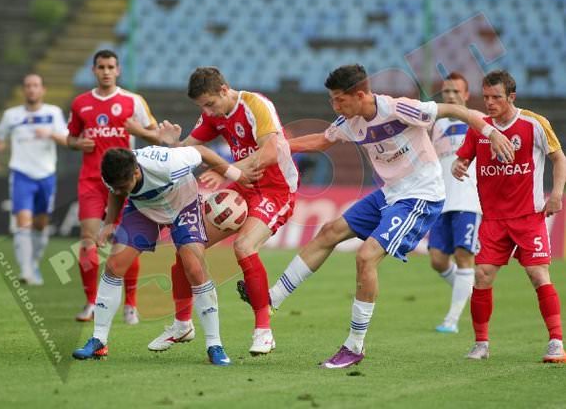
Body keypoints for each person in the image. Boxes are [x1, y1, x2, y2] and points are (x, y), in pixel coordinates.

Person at [239, 64, 514, 368]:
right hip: (391, 192)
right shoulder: (350, 121)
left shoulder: (399, 109)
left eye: (339, 100)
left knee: (366, 256)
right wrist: (279, 146)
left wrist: (491, 132)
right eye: (332, 100)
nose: (335, 106)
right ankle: (271, 299)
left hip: (421, 195)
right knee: (330, 231)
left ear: (360, 95)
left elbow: (454, 109)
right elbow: (321, 141)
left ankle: (354, 346)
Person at [146, 67, 299, 355]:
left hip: (275, 190)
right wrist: (167, 144)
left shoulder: (256, 105)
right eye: (202, 106)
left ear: (224, 90)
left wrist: (228, 172)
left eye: (210, 104)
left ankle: (264, 330)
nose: (207, 111)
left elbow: (271, 151)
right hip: (242, 187)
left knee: (243, 247)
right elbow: (187, 152)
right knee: (187, 246)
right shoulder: (212, 114)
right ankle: (182, 325)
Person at [72, 145, 260, 365]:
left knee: (195, 268)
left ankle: (214, 344)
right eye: (117, 187)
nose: (121, 190)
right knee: (114, 266)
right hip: (144, 210)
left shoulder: (167, 164)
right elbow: (116, 193)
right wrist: (108, 223)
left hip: (183, 206)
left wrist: (235, 174)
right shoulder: (112, 175)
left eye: (125, 186)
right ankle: (99, 341)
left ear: (136, 172)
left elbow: (201, 151)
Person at [452, 70, 566, 363]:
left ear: (511, 97)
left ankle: (555, 342)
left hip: (528, 216)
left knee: (538, 274)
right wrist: (459, 165)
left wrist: (556, 194)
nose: (489, 103)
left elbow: (558, 157)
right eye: (486, 97)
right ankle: (481, 344)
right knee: (482, 275)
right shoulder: (479, 127)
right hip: (493, 219)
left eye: (496, 97)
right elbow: (463, 157)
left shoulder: (533, 123)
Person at [66, 49, 162, 324]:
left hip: (122, 184)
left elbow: (157, 134)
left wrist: (140, 132)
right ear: (93, 70)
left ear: (118, 70)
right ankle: (90, 302)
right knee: (88, 239)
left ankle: (130, 305)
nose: (106, 71)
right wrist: (77, 143)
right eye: (101, 67)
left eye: (110, 67)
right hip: (91, 181)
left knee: (125, 242)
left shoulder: (133, 101)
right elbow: (70, 138)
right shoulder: (80, 103)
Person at [0, 73, 68, 285]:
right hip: (21, 173)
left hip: (46, 175)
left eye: (36, 85)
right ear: (24, 90)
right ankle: (25, 271)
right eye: (28, 86)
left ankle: (33, 264)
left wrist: (50, 133)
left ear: (43, 90)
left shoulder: (53, 113)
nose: (32, 89)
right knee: (23, 222)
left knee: (40, 224)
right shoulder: (11, 115)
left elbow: (67, 139)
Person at [428, 72, 482, 333]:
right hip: (441, 199)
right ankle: (470, 291)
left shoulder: (478, 122)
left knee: (464, 256)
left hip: (468, 200)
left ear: (466, 95)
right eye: (446, 92)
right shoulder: (436, 126)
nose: (450, 96)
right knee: (437, 259)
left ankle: (452, 320)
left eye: (455, 92)